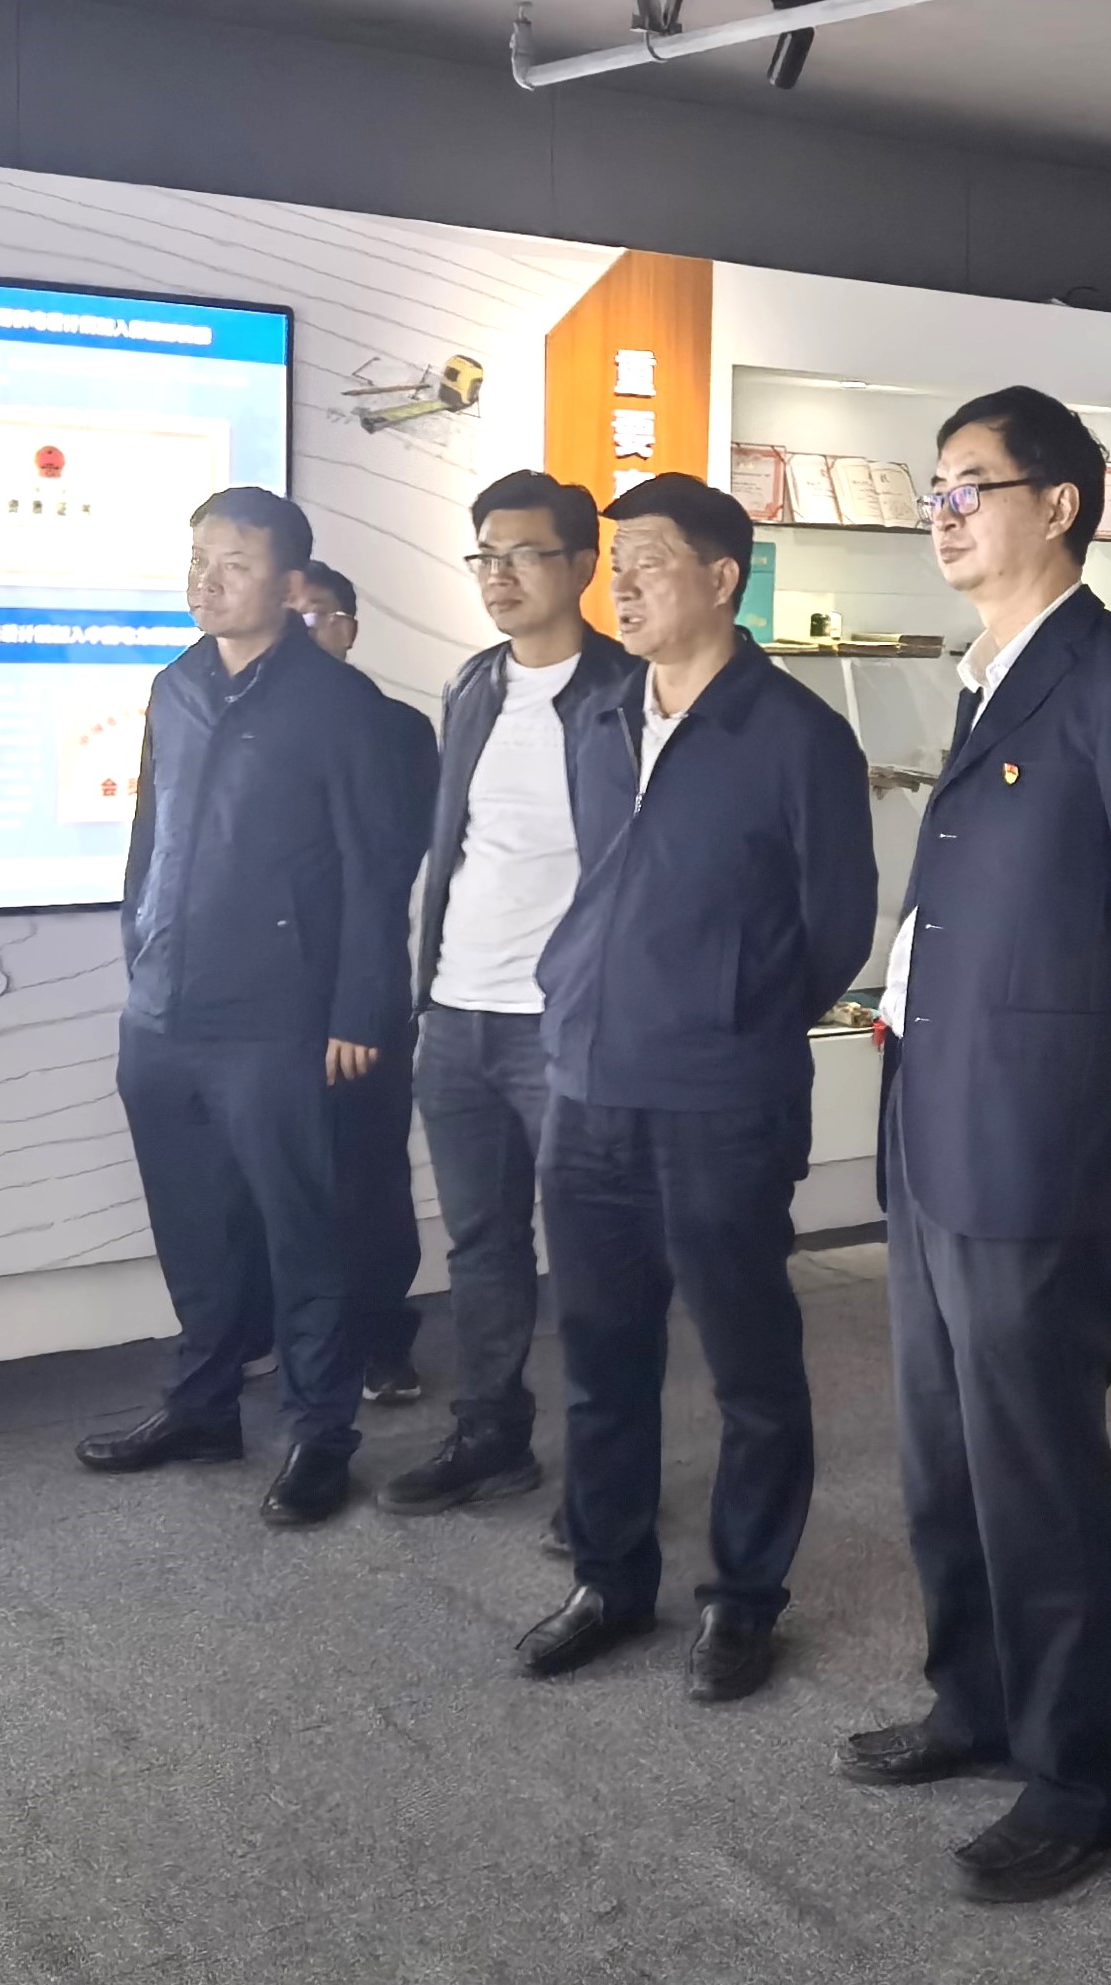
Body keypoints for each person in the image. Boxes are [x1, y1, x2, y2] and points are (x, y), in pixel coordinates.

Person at [838, 386, 1111, 1905]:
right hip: (932, 1108)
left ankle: (1082, 1779)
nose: (942, 515)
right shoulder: (988, 674)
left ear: (1059, 504)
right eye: (932, 491)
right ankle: (978, 1700)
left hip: (1029, 1127)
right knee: (943, 1445)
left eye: (970, 487)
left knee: (1036, 1461)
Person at [511, 473, 876, 1705]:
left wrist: (729, 1010)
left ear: (722, 579)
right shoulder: (600, 714)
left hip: (721, 1095)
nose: (621, 585)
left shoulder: (796, 734)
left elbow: (836, 923)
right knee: (601, 1353)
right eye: (616, 564)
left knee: (746, 1362)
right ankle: (609, 1577)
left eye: (649, 561)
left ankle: (742, 1597)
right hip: (589, 1085)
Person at [76, 489, 410, 1527]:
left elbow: (373, 871)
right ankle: (202, 1406)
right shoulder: (174, 684)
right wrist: (139, 946)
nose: (206, 581)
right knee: (194, 1225)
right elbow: (151, 836)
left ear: (289, 583)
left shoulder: (336, 702)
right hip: (165, 1010)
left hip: (280, 1017)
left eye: (233, 563)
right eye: (198, 560)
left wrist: (359, 1010)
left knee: (303, 1234)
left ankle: (319, 1434)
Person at [377, 473, 633, 1520]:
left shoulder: (628, 690)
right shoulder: (474, 684)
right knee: (481, 1242)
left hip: (566, 1023)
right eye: (485, 554)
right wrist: (427, 992)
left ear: (581, 565)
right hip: (456, 1013)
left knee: (596, 1254)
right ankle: (490, 1436)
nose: (499, 575)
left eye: (523, 553)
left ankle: (608, 1481)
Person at [249, 559, 438, 1410]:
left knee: (366, 1175)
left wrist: (357, 1003)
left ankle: (379, 1343)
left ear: (349, 628)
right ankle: (285, 1337)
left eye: (315, 616)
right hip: (262, 998)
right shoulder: (241, 719)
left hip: (359, 988)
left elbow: (390, 865)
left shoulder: (395, 728)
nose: (298, 632)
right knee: (272, 1176)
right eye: (285, 615)